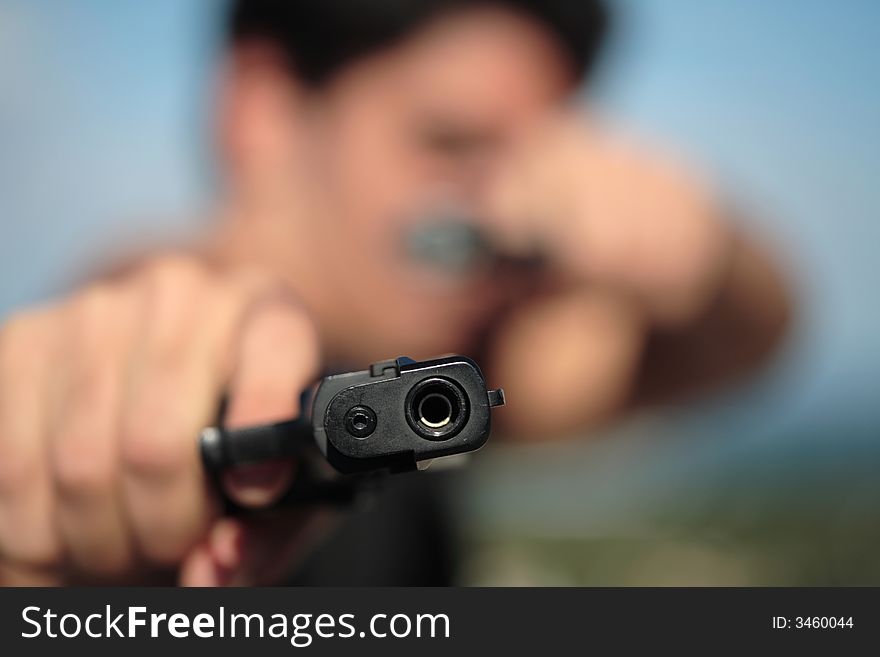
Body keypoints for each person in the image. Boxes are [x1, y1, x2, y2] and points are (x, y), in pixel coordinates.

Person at [0, 0, 790, 585]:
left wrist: (701, 246)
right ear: (262, 109)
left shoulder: (438, 374)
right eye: (451, 144)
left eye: (535, 167)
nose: (502, 217)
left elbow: (738, 347)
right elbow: (132, 339)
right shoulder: (133, 357)